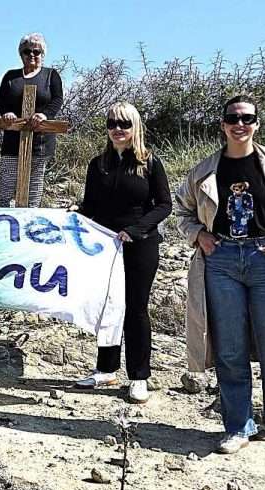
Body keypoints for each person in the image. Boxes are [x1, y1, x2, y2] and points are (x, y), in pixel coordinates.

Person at [175, 95, 265, 454]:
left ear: (256, 124)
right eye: (233, 118)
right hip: (220, 259)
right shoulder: (204, 170)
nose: (240, 124)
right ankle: (238, 426)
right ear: (222, 124)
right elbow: (182, 210)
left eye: (247, 118)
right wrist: (198, 235)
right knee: (230, 346)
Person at [75, 102, 172, 403]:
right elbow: (90, 206)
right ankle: (106, 368)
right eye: (113, 123)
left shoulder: (150, 163)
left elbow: (164, 205)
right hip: (104, 247)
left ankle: (139, 376)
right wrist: (74, 218)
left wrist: (137, 230)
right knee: (107, 307)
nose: (118, 129)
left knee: (136, 308)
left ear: (135, 128)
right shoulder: (97, 164)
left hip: (140, 245)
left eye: (125, 124)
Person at [0, 33, 63, 208]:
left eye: (37, 51)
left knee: (33, 192)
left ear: (43, 54)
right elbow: (1, 101)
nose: (32, 55)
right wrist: (7, 113)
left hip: (39, 143)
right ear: (21, 54)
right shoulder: (11, 77)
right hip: (12, 141)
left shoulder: (51, 75)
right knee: (5, 190)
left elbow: (57, 99)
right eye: (27, 51)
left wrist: (44, 115)